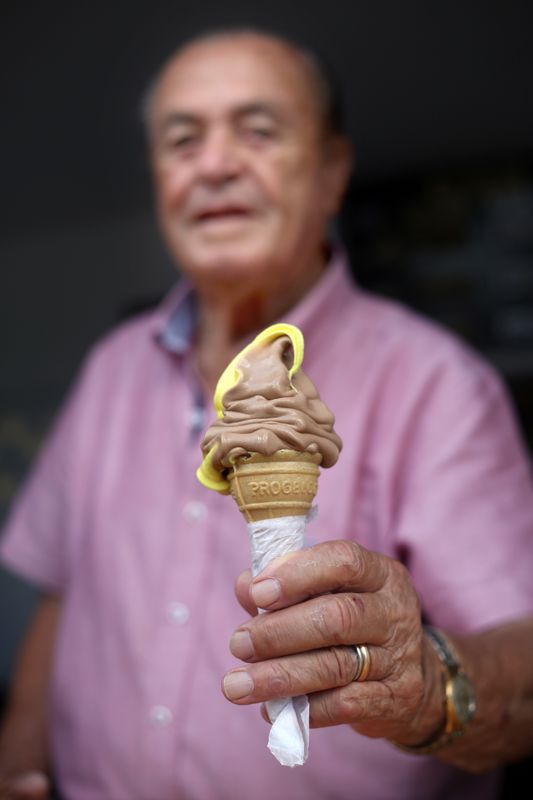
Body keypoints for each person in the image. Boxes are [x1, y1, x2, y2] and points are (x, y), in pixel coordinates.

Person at [1, 27, 533, 800]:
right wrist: (19, 763)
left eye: (257, 130)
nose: (214, 164)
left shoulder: (439, 386)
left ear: (331, 173)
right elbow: (63, 591)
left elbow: (523, 654)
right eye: (182, 140)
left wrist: (426, 681)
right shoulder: (111, 368)